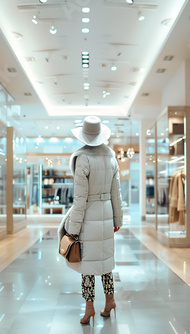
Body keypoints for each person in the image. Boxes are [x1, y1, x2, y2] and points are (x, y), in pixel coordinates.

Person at [64, 116, 123, 326]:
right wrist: (118, 218)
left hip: (89, 215)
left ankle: (89, 308)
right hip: (106, 214)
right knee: (106, 263)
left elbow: (80, 199)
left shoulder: (82, 159)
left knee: (86, 264)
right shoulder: (111, 157)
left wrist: (73, 228)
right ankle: (110, 302)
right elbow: (116, 193)